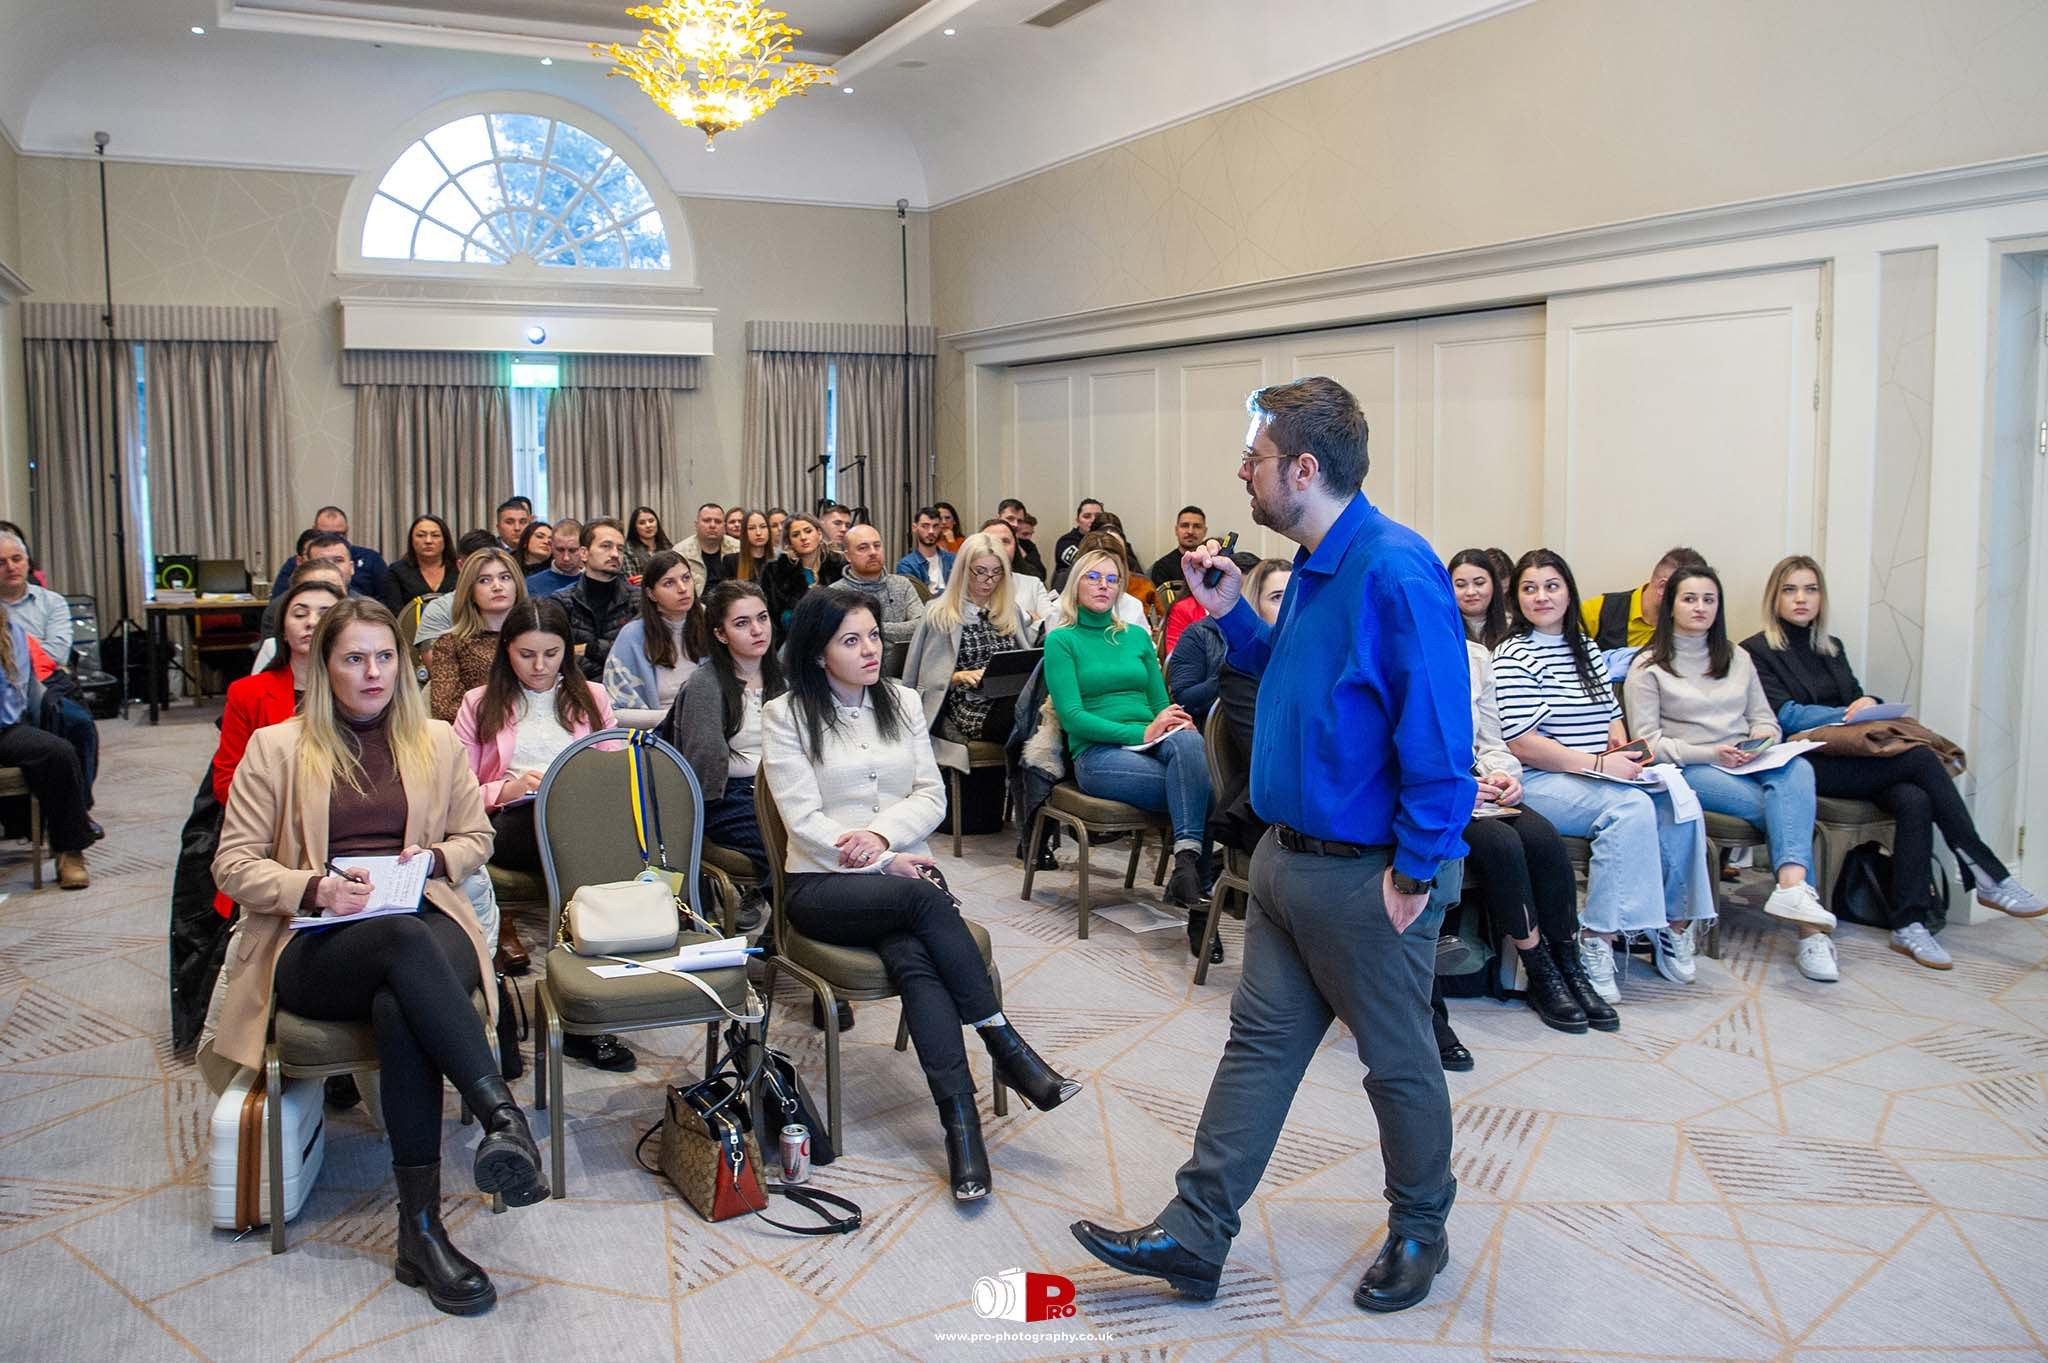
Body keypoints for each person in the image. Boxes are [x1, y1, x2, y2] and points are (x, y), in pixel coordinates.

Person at [1072, 376, 1475, 1315]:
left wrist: (1417, 868)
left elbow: (1441, 742)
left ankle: (1422, 1225)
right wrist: (1233, 618)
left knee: (1397, 1060)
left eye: (1253, 458)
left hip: (1367, 872)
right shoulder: (1314, 563)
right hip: (1287, 861)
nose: (1240, 474)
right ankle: (1197, 1230)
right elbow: (1297, 683)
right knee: (1257, 1047)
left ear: (1302, 467)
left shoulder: (1393, 568)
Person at [208, 599, 548, 1314]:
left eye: (385, 656)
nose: (373, 671)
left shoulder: (433, 741)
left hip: (424, 912)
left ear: (403, 662)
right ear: (323, 667)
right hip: (315, 937)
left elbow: (475, 838)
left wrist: (431, 859)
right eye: (354, 658)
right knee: (400, 946)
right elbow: (233, 865)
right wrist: (316, 887)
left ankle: (418, 1230)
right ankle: (501, 1118)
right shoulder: (276, 748)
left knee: (403, 990)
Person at [762, 588, 1080, 1201]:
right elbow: (801, 819)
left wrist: (881, 835)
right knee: (924, 901)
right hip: (821, 886)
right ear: (818, 652)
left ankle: (963, 1133)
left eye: (874, 636)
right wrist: (881, 858)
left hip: (899, 879)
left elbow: (931, 797)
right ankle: (1002, 1041)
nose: (869, 650)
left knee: (915, 959)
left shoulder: (904, 702)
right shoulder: (786, 714)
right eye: (850, 641)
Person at [1740, 555, 2043, 965]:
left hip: (1851, 757)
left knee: (1915, 799)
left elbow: (1854, 695)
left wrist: (1871, 703)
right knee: (1918, 758)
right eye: (1790, 589)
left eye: (1810, 589)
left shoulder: (1830, 648)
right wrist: (1844, 714)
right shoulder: (1756, 650)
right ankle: (1986, 871)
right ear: (1774, 596)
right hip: (1805, 762)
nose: (1801, 599)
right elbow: (1784, 714)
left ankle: (1909, 924)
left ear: (1821, 598)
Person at [1494, 549, 1716, 994]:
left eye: (1551, 586)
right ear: (1517, 599)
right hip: (1542, 779)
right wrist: (1598, 764)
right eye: (1529, 588)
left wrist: (1616, 740)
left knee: (1679, 803)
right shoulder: (1512, 655)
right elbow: (1524, 744)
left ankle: (1672, 927)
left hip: (1597, 771)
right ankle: (1596, 937)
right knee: (1630, 808)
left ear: (1569, 592)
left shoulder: (1586, 647)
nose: (1542, 596)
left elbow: (1609, 713)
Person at [1625, 562, 1836, 976]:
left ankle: (1793, 891)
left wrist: (1761, 741)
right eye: (1689, 599)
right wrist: (1711, 753)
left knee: (1800, 773)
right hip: (1694, 767)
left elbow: (1765, 718)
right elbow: (1648, 743)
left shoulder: (1737, 657)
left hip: (1750, 759)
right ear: (1670, 606)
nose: (1700, 608)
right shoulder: (1648, 665)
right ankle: (1812, 933)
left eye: (1709, 599)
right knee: (1788, 811)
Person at [450, 598, 634, 1071]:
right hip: (512, 820)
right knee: (587, 850)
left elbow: (613, 768)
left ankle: (586, 1007)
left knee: (590, 834)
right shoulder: (479, 702)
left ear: (566, 651)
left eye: (551, 654)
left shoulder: (592, 697)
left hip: (578, 819)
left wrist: (572, 785)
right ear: (506, 650)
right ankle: (584, 1016)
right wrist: (508, 786)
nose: (539, 666)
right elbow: (455, 786)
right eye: (526, 654)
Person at [172, 574, 346, 1044]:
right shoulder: (249, 694)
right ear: (283, 629)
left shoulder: (362, 686)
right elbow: (226, 779)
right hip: (270, 836)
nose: (312, 623)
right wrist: (287, 819)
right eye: (300, 613)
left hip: (348, 830)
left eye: (324, 613)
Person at [1043, 547, 1213, 911]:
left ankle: (1185, 866)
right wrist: (1142, 734)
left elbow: (1158, 702)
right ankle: (1197, 874)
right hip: (1097, 752)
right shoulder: (1062, 639)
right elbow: (1072, 717)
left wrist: (1174, 719)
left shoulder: (1136, 637)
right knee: (1206, 790)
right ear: (1076, 584)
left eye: (1112, 579)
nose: (1104, 586)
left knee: (1189, 741)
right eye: (1094, 577)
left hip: (1153, 739)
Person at [1460, 636, 1613, 1036]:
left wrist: (1504, 775)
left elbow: (1492, 740)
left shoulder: (1475, 656)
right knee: (1502, 843)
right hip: (1436, 787)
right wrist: (1455, 785)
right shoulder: (1397, 650)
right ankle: (1538, 968)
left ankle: (1569, 962)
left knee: (1543, 837)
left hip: (1480, 780)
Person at [659, 580, 784, 888]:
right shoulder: (705, 684)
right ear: (720, 634)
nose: (757, 630)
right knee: (786, 851)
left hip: (784, 788)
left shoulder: (783, 676)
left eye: (762, 617)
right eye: (742, 623)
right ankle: (784, 930)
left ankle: (783, 929)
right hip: (728, 796)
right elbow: (706, 767)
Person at [1197, 557, 1292, 963]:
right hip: (1268, 804)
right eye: (1276, 596)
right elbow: (1266, 755)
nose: (1288, 605)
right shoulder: (1243, 671)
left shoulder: (1315, 660)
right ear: (1255, 606)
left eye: (1295, 595)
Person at [0, 530, 98, 811]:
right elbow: (43, 648)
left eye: (16, 559)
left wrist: (16, 642)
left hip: (46, 682)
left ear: (27, 562)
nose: (11, 567)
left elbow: (56, 652)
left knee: (79, 724)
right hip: (4, 685)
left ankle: (79, 808)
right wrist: (32, 643)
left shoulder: (50, 601)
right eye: (1, 562)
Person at [905, 531, 1032, 748]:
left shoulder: (1010, 610)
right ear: (964, 570)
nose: (989, 581)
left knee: (1039, 712)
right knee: (1024, 718)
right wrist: (960, 676)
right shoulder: (940, 613)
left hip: (1010, 695)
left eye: (996, 572)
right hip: (966, 702)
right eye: (980, 572)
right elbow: (924, 679)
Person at [0, 602, 93, 888]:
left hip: (3, 726)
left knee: (59, 752)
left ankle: (69, 852)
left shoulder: (10, 627)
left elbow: (14, 695)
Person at [603, 550, 706, 728]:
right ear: (651, 594)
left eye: (686, 578)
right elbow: (614, 712)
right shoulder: (632, 637)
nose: (682, 588)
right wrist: (674, 717)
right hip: (657, 739)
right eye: (669, 583)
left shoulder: (713, 624)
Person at [427, 548, 526, 723]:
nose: (497, 586)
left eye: (505, 577)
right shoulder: (451, 643)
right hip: (480, 735)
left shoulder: (535, 637)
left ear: (517, 585)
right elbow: (444, 710)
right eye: (484, 580)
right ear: (470, 591)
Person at [1164, 551, 1262, 727]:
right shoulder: (1198, 634)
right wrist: (1230, 672)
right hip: (1217, 730)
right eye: (1244, 593)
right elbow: (1183, 699)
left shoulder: (1277, 636)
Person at [554, 517, 636, 681]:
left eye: (620, 549)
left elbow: (637, 655)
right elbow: (559, 656)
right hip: (579, 691)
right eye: (606, 546)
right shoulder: (561, 602)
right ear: (584, 553)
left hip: (629, 691)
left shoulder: (638, 600)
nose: (615, 554)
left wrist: (588, 649)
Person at [1579, 546, 1704, 651]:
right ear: (1663, 588)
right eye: (1689, 598)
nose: (1698, 607)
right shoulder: (1598, 610)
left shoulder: (1689, 625)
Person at [266, 505, 390, 603]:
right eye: (325, 533)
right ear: (314, 530)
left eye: (339, 534)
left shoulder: (370, 558)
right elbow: (279, 603)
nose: (332, 538)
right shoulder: (299, 562)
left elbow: (386, 599)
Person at [837, 524, 927, 647]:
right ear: (848, 556)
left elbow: (921, 626)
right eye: (863, 548)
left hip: (904, 663)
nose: (873, 552)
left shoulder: (902, 584)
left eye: (877, 546)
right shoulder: (836, 593)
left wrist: (871, 628)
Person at [760, 513, 844, 644]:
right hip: (793, 642)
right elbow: (773, 617)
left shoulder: (839, 567)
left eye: (808, 531)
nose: (803, 538)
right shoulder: (775, 571)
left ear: (819, 534)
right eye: (796, 535)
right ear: (789, 542)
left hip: (838, 639)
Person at [975, 518, 1055, 628]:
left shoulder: (1033, 584)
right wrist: (1030, 619)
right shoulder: (969, 586)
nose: (999, 547)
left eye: (1005, 541)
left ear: (1015, 547)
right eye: (991, 541)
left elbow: (1050, 627)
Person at [387, 515, 456, 607]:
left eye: (435, 535)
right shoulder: (397, 571)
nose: (428, 541)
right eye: (420, 535)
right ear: (411, 540)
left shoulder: (460, 568)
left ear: (445, 540)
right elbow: (394, 613)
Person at [1448, 547, 1509, 648]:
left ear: (1494, 584)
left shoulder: (1511, 627)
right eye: (1460, 585)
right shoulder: (1443, 628)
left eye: (1479, 583)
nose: (1470, 592)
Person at [676, 502, 736, 589]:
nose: (712, 525)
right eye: (707, 521)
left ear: (724, 526)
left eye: (718, 521)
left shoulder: (737, 548)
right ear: (696, 525)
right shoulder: (680, 552)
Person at [896, 505, 956, 593]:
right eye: (925, 526)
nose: (931, 531)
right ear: (914, 528)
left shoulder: (953, 559)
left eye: (935, 526)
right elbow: (915, 599)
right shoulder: (907, 565)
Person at [523, 517, 585, 597]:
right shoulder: (531, 585)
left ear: (583, 549)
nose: (566, 558)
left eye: (572, 550)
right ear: (551, 545)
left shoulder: (594, 582)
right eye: (560, 550)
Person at [1149, 506, 1208, 588]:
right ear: (1176, 530)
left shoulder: (1211, 564)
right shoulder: (1162, 567)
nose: (1190, 531)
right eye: (1185, 525)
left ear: (1205, 531)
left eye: (1197, 526)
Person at [1051, 498, 1101, 588]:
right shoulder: (1066, 542)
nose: (1093, 520)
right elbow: (1087, 567)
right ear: (1078, 521)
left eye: (1098, 517)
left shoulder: (1113, 539)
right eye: (1087, 516)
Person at [725, 509, 774, 583]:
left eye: (763, 527)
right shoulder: (731, 561)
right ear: (744, 532)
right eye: (752, 528)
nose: (758, 533)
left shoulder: (779, 561)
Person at [625, 504, 672, 580]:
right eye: (642, 523)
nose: (648, 525)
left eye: (651, 521)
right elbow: (632, 581)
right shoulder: (628, 550)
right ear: (635, 527)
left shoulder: (667, 547)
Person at [1014, 511, 1048, 581]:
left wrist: (1024, 556)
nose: (1029, 538)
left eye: (1031, 534)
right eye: (1025, 534)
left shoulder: (1030, 546)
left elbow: (1041, 576)